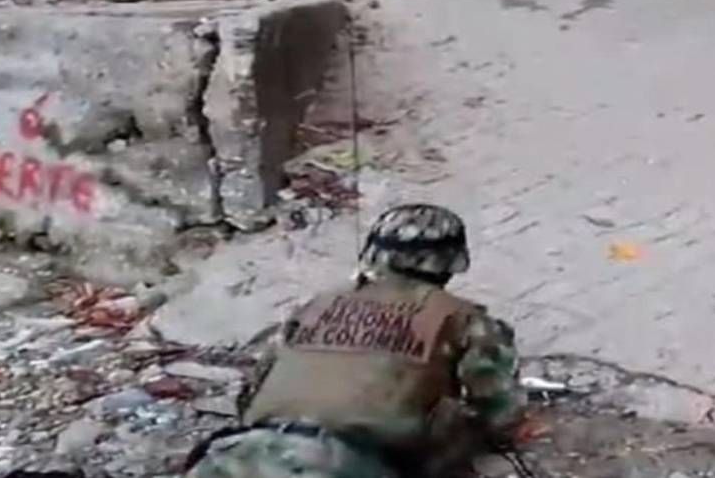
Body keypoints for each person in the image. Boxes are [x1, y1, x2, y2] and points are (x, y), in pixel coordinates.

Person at [183, 203, 529, 478]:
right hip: (344, 464)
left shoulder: (316, 305)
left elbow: (251, 393)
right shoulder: (464, 319)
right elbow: (500, 411)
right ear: (451, 262)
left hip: (238, 455)